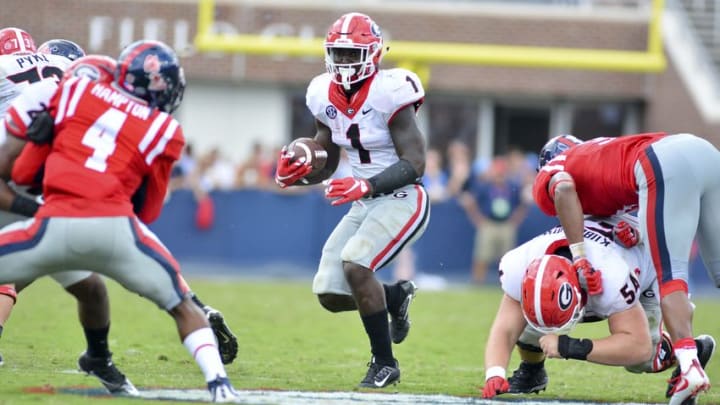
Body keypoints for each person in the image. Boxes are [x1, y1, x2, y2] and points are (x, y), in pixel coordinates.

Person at [1, 39, 238, 402]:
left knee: (79, 286)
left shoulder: (68, 94)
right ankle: (218, 378)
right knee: (162, 298)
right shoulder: (157, 125)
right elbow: (146, 211)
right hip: (96, 219)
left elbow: (22, 168)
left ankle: (98, 357)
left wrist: (40, 206)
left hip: (50, 210)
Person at [274, 12, 430, 388]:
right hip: (363, 200)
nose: (343, 62)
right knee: (329, 292)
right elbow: (326, 160)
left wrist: (365, 186)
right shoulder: (320, 92)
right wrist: (299, 173)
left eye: (351, 54)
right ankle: (394, 297)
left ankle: (385, 364)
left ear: (373, 54)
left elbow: (416, 162)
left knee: (357, 265)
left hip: (402, 197)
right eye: (338, 54)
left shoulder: (391, 90)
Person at [0, 28, 140, 394]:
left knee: (88, 285)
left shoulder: (16, 69)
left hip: (33, 185)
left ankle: (98, 357)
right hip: (34, 183)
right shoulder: (70, 74)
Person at [533, 132, 720, 404]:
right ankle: (687, 355)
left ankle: (689, 366)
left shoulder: (557, 167)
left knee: (671, 276)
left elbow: (562, 188)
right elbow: (658, 212)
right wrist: (638, 233)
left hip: (663, 162)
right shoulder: (601, 159)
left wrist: (580, 255)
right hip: (705, 153)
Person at [480, 215, 716, 400]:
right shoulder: (520, 264)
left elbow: (638, 345)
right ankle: (532, 370)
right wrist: (495, 373)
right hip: (598, 245)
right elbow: (505, 329)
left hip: (646, 264)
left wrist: (568, 346)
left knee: (642, 362)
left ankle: (690, 351)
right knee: (526, 327)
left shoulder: (611, 277)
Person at [458, 157, 528, 284]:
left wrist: (516, 220)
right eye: (498, 173)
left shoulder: (512, 187)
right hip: (489, 224)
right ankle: (478, 281)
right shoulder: (485, 187)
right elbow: (471, 202)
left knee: (507, 258)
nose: (499, 177)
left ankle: (507, 283)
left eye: (502, 174)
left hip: (506, 224)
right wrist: (478, 220)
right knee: (482, 255)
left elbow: (523, 203)